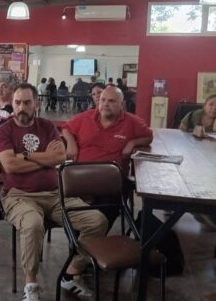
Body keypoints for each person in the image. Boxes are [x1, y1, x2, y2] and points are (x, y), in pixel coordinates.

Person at [0, 84, 108, 301]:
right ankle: (30, 285)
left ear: (36, 104)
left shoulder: (47, 127)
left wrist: (26, 155)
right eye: (17, 102)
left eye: (27, 102)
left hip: (55, 195)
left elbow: (59, 156)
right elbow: (10, 165)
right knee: (33, 224)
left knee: (97, 221)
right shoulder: (4, 131)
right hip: (19, 196)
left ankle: (70, 273)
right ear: (12, 104)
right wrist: (45, 158)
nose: (22, 107)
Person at [62, 86, 153, 227]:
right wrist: (71, 142)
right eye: (103, 100)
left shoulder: (131, 121)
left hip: (110, 184)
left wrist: (132, 142)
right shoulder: (86, 117)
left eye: (111, 101)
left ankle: (89, 235)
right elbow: (66, 128)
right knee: (77, 212)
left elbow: (148, 136)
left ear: (121, 104)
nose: (105, 104)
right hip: (80, 181)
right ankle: (88, 235)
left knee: (102, 215)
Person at [179, 94, 216, 230]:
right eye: (211, 104)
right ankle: (197, 210)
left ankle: (205, 212)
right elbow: (180, 131)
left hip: (210, 158)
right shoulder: (193, 116)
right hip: (190, 153)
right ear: (205, 105)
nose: (214, 108)